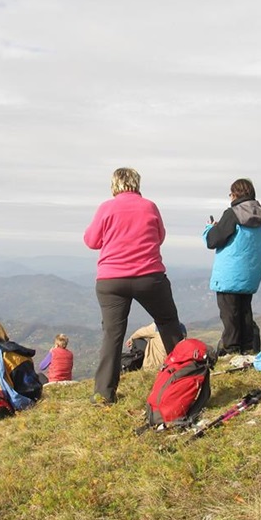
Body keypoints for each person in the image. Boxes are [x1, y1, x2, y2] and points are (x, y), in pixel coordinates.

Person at [83, 167, 185, 404]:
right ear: (137, 184)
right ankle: (183, 376)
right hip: (149, 276)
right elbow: (159, 236)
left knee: (112, 334)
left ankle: (104, 394)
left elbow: (91, 241)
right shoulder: (149, 206)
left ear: (114, 185)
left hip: (111, 280)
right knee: (168, 323)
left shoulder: (106, 208)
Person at [203, 178, 261, 356]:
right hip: (250, 275)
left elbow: (213, 240)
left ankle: (231, 350)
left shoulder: (232, 213)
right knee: (245, 313)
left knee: (230, 315)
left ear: (234, 194)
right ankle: (248, 348)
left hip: (230, 275)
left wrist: (209, 229)